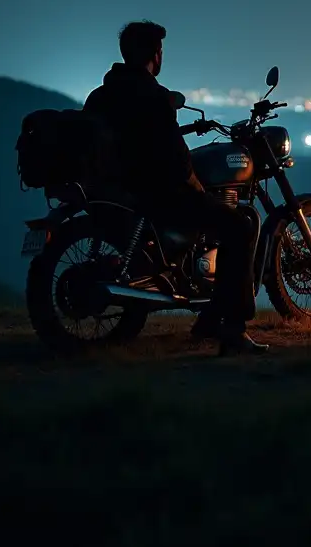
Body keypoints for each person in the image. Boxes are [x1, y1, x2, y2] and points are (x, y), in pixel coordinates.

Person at [83, 20, 268, 355]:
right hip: (157, 193)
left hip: (116, 189)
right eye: (160, 50)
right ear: (153, 55)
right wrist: (196, 187)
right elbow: (174, 158)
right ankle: (234, 330)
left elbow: (132, 141)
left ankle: (209, 317)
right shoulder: (154, 96)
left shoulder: (100, 95)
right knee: (239, 226)